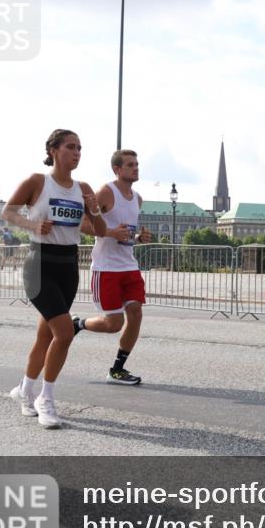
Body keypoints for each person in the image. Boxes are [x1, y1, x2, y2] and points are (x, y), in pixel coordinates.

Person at [3, 129, 106, 428]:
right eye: (70, 147)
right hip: (39, 265)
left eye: (80, 148)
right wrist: (32, 224)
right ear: (53, 150)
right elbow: (7, 212)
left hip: (68, 265)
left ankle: (24, 391)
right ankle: (44, 399)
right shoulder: (38, 182)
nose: (76, 153)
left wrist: (95, 209)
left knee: (45, 335)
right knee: (64, 332)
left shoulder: (82, 188)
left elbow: (98, 230)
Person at [73, 149, 152, 385]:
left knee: (136, 314)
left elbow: (124, 231)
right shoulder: (107, 192)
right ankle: (77, 323)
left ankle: (117, 370)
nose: (135, 168)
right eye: (130, 165)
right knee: (113, 324)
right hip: (106, 268)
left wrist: (137, 238)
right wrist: (110, 232)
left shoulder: (137, 198)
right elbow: (83, 223)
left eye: (137, 164)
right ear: (117, 169)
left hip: (129, 265)